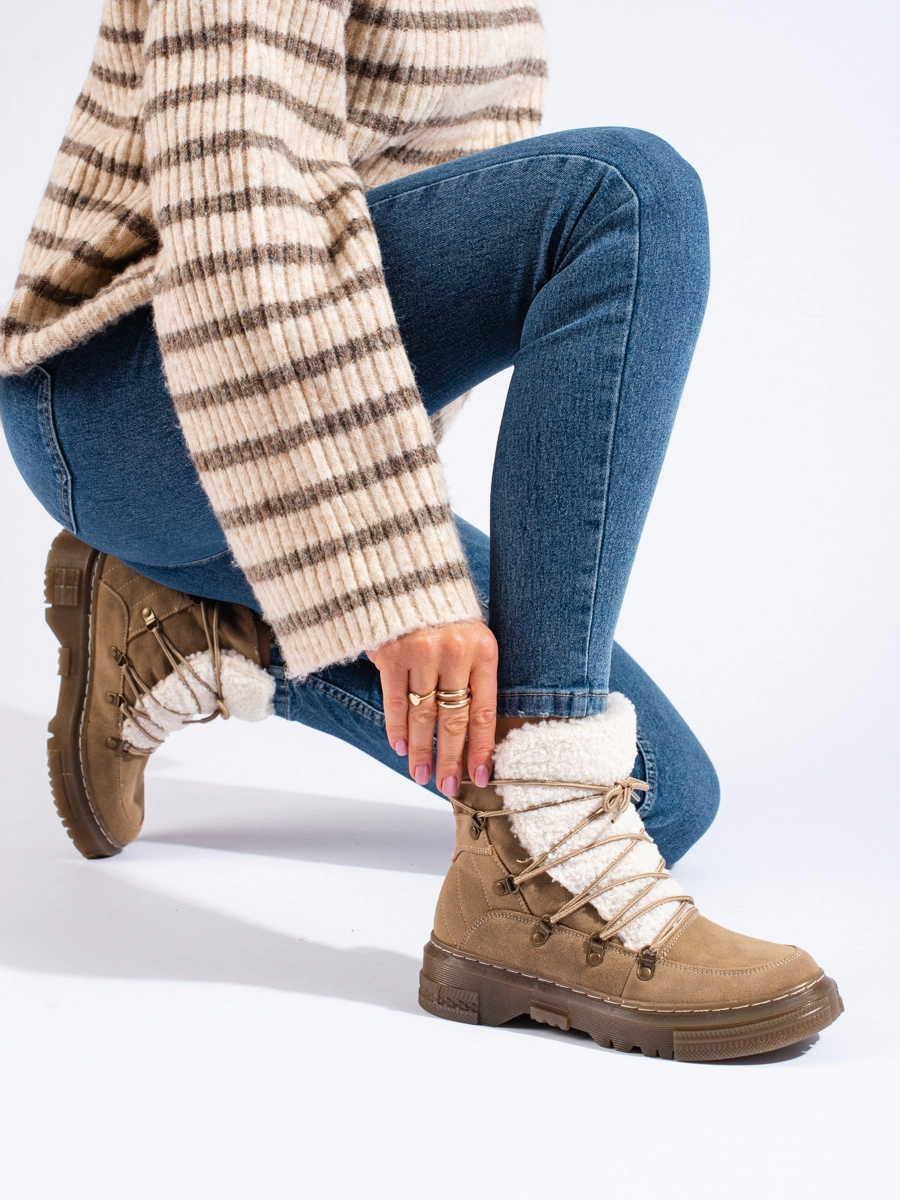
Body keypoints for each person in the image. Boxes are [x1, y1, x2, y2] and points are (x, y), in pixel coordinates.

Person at [0, 1, 841, 1060]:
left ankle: (191, 630)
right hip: (123, 405)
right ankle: (530, 888)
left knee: (661, 797)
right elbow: (244, 205)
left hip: (267, 440)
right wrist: (386, 574)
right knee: (625, 197)